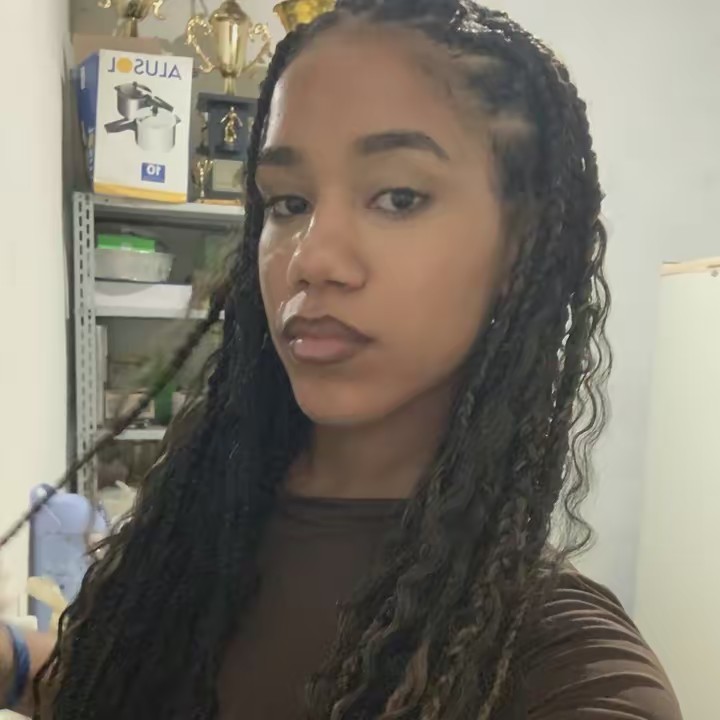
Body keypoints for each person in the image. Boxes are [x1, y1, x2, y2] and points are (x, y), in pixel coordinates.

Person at [0, 1, 682, 719]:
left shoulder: (557, 657)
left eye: (398, 197)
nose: (312, 258)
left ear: (520, 247)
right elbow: (116, 685)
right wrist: (14, 659)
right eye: (288, 203)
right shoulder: (198, 526)